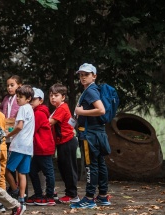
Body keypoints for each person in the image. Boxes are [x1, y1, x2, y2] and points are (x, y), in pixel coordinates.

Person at [71, 63, 112, 209]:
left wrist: (81, 113)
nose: (83, 77)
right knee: (100, 164)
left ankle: (89, 198)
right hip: (98, 132)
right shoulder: (94, 89)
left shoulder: (90, 91)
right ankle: (102, 196)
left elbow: (100, 110)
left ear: (94, 76)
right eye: (81, 74)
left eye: (86, 74)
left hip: (90, 135)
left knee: (91, 166)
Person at [5, 85, 35, 211]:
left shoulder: (23, 108)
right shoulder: (30, 109)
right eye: (17, 96)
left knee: (6, 170)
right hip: (28, 147)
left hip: (18, 145)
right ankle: (22, 200)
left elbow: (19, 126)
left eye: (20, 97)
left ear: (28, 99)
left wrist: (8, 135)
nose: (17, 99)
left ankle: (15, 190)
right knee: (22, 173)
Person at [48, 83, 80, 204]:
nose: (53, 98)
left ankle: (73, 195)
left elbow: (50, 122)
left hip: (67, 142)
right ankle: (69, 193)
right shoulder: (58, 108)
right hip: (62, 143)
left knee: (69, 168)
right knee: (63, 168)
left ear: (63, 97)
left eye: (56, 95)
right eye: (51, 95)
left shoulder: (62, 108)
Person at [26, 88, 56, 206]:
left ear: (40, 100)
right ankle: (38, 194)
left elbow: (31, 129)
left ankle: (49, 196)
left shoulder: (39, 113)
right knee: (32, 171)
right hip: (38, 148)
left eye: (33, 99)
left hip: (43, 148)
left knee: (48, 172)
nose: (31, 101)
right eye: (30, 99)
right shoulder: (35, 112)